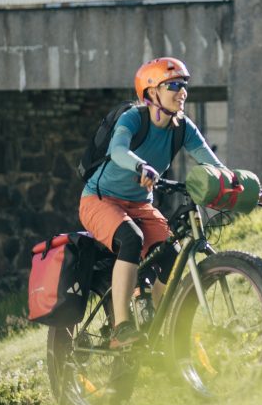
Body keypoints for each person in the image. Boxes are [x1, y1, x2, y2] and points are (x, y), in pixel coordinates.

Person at [79, 56, 225, 348]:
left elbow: (211, 161)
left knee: (171, 253)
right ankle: (122, 328)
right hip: (99, 200)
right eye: (173, 85)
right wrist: (140, 167)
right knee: (130, 238)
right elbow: (118, 150)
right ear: (151, 93)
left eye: (184, 85)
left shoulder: (183, 127)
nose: (182, 92)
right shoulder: (133, 118)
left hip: (140, 205)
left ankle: (159, 325)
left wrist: (238, 183)